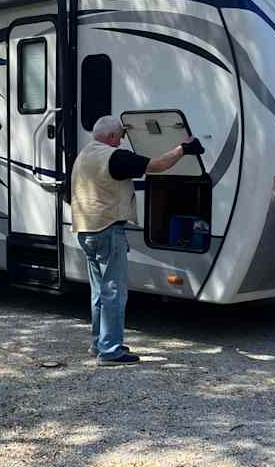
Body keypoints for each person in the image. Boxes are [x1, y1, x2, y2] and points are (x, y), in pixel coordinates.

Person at [70, 115, 204, 364]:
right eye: (120, 137)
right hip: (108, 229)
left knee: (99, 291)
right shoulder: (114, 157)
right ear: (110, 137)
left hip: (85, 230)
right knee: (114, 292)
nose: (121, 141)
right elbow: (158, 165)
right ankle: (111, 350)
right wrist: (183, 148)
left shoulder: (84, 155)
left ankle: (99, 343)